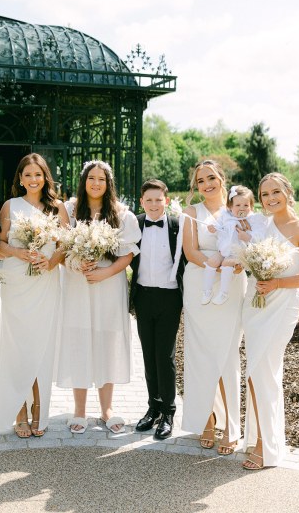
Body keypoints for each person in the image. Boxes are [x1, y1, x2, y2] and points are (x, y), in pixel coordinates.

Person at [57, 160, 141, 434]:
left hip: (108, 286)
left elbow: (127, 253)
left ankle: (107, 410)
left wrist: (105, 274)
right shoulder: (69, 210)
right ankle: (79, 411)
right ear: (84, 181)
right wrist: (77, 264)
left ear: (108, 184)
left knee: (107, 342)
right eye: (91, 178)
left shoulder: (122, 213)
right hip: (78, 284)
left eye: (101, 179)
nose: (96, 183)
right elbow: (60, 249)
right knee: (79, 340)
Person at [241, 173, 299, 470]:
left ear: (288, 192)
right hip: (256, 304)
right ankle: (262, 439)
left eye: (275, 192)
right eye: (264, 195)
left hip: (282, 305)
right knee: (254, 373)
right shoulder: (262, 225)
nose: (270, 198)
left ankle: (266, 446)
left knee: (265, 372)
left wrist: (276, 285)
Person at [0, 154, 69, 438]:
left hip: (45, 282)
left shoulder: (57, 208)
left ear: (45, 177)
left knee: (42, 346)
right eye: (27, 175)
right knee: (18, 346)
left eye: (38, 174)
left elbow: (65, 245)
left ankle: (39, 406)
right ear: (20, 179)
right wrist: (18, 252)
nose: (33, 179)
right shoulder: (10, 206)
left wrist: (49, 262)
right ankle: (19, 409)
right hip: (16, 283)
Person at [181, 160, 247, 455]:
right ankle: (206, 419)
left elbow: (248, 244)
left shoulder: (238, 209)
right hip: (199, 283)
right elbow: (190, 251)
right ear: (196, 186)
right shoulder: (190, 212)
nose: (206, 184)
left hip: (232, 285)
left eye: (211, 178)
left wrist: (232, 265)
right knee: (200, 353)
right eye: (200, 181)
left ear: (222, 179)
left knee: (228, 355)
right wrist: (215, 266)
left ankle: (232, 426)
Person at [130, 179, 184, 439]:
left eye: (158, 200)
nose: (153, 204)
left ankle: (169, 413)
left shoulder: (176, 226)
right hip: (144, 297)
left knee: (165, 356)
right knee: (149, 355)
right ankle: (153, 408)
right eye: (148, 200)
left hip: (170, 297)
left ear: (167, 200)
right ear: (141, 202)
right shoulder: (135, 224)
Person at [203, 185, 267, 305]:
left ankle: (224, 293)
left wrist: (247, 236)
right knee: (212, 261)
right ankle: (207, 290)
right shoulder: (226, 217)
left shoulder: (253, 220)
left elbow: (260, 237)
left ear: (251, 206)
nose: (242, 208)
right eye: (238, 205)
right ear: (230, 207)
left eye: (246, 205)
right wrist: (213, 228)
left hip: (240, 253)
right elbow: (218, 226)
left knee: (227, 263)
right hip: (224, 250)